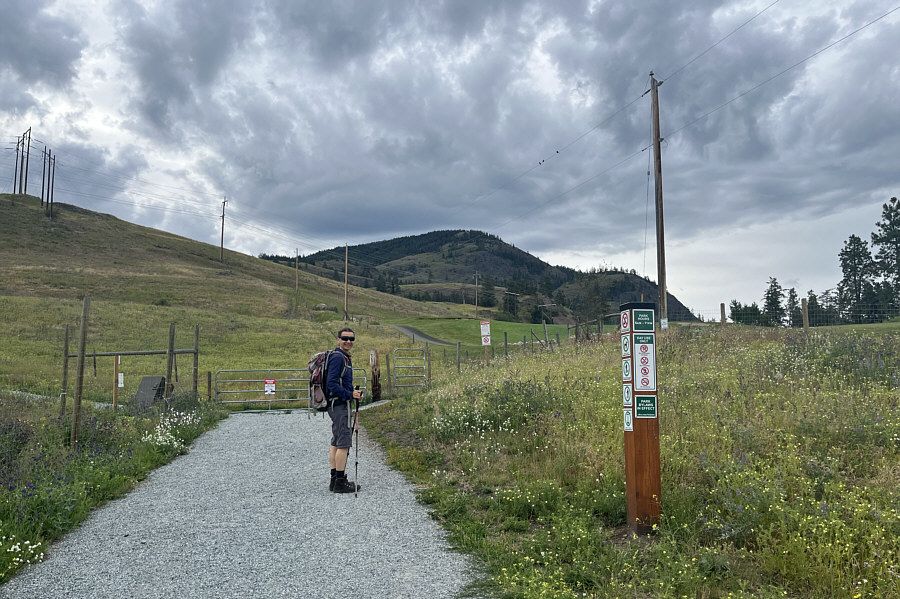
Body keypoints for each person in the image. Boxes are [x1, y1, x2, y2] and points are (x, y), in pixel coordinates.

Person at [326, 327, 364, 493]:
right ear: (338, 339)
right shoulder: (338, 358)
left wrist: (353, 394)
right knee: (344, 442)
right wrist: (350, 394)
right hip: (340, 405)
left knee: (336, 441)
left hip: (338, 404)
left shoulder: (343, 357)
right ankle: (340, 482)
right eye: (345, 338)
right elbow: (331, 384)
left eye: (351, 339)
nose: (348, 341)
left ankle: (335, 479)